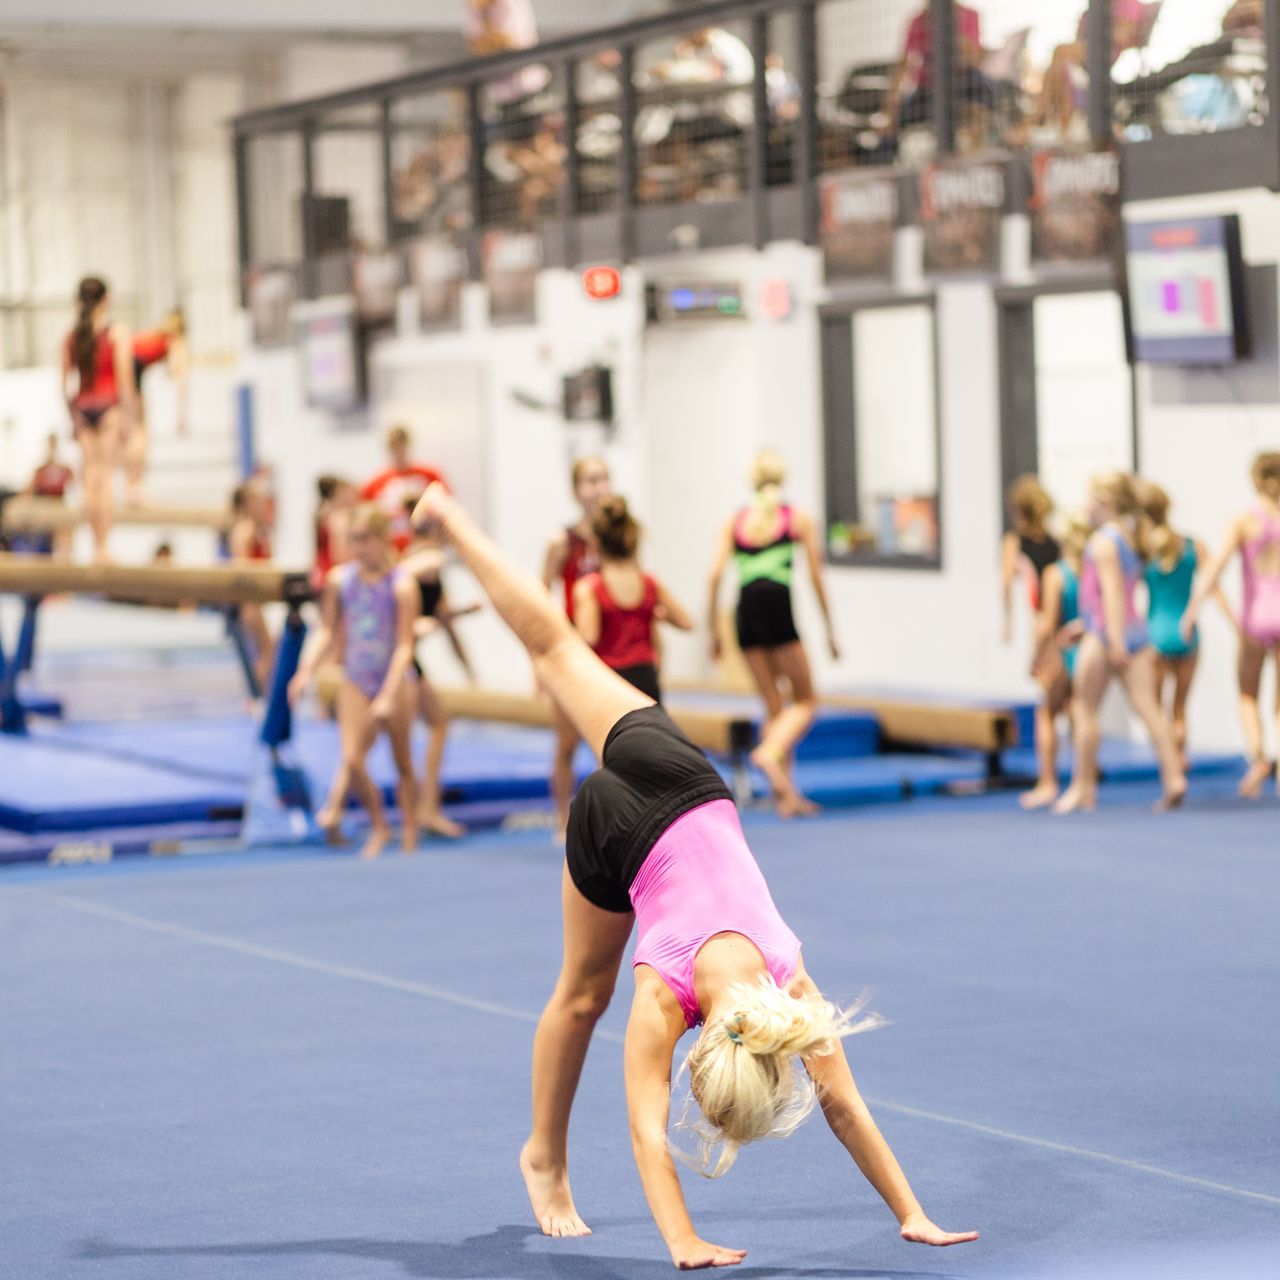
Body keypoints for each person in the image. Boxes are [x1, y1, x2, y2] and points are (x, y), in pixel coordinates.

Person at [409, 481, 978, 1265]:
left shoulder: (791, 991)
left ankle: (450, 514)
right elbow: (652, 1124)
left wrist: (914, 1212)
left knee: (557, 650)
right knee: (582, 996)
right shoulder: (670, 998)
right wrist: (682, 1242)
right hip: (622, 818)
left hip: (683, 780)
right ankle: (541, 1156)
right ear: (701, 1052)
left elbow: (841, 1106)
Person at [708, 450, 839, 817]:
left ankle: (786, 794)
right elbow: (816, 577)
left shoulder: (736, 521)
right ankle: (768, 753)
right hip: (776, 607)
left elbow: (715, 575)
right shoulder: (794, 519)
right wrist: (830, 630)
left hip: (745, 611)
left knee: (775, 707)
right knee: (807, 701)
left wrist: (711, 633)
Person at [289, 504, 421, 858]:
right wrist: (304, 672)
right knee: (353, 758)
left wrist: (390, 694)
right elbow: (328, 631)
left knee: (403, 761)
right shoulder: (340, 581)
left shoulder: (402, 585)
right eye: (353, 540)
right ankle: (380, 824)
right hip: (357, 676)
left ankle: (410, 829)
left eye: (365, 540)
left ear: (383, 540)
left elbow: (406, 644)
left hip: (394, 679)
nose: (359, 548)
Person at [1053, 472, 1186, 815]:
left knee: (1084, 710)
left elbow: (1111, 592)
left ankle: (1082, 786)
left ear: (1106, 503)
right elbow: (1117, 593)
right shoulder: (1130, 537)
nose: (1086, 507)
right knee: (1149, 709)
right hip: (1132, 629)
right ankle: (1173, 777)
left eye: (1090, 500)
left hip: (1108, 634)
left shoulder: (1103, 541)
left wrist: (1111, 640)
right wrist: (1085, 624)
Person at [1182, 452, 1280, 799]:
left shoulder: (1244, 522)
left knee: (1247, 694)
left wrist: (1192, 608)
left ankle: (1258, 756)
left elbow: (1215, 568)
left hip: (1256, 617)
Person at [542, 455, 612, 837]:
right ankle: (563, 821)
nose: (598, 488)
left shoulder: (618, 538)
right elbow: (540, 595)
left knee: (611, 747)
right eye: (590, 481)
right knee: (567, 741)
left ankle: (608, 825)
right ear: (575, 491)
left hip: (611, 652)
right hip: (572, 654)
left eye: (603, 479)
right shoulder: (562, 542)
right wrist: (540, 658)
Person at [399, 524, 482, 839]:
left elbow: (445, 625)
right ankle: (421, 811)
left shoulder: (435, 580)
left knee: (438, 722)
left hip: (407, 661)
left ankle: (426, 809)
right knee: (379, 739)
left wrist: (469, 672)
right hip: (389, 660)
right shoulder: (410, 569)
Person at [572, 496, 693, 705]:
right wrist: (658, 615)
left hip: (610, 680)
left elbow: (589, 637)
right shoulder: (649, 583)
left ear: (596, 543)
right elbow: (687, 623)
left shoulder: (589, 587)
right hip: (646, 678)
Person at [1139, 482, 1224, 767]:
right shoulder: (1192, 546)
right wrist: (1236, 624)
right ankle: (1180, 757)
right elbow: (1215, 587)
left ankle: (1170, 764)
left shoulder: (1144, 551)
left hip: (1156, 633)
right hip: (1186, 634)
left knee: (1156, 708)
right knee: (1179, 706)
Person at [60, 276, 136, 563]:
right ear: (106, 300)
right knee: (103, 477)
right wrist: (128, 418)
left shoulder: (71, 337)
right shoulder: (115, 333)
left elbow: (65, 385)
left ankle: (94, 545)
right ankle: (102, 548)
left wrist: (73, 417)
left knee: (90, 478)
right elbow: (125, 379)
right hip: (108, 405)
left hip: (83, 405)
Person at [1020, 512, 1089, 811]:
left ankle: (1048, 782)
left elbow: (1048, 622)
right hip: (1086, 650)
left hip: (1063, 649)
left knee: (1046, 713)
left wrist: (1036, 656)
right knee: (1080, 713)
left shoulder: (1056, 574)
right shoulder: (1091, 570)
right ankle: (1085, 783)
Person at [127, 309, 188, 502]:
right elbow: (181, 380)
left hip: (123, 368)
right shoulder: (174, 341)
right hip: (130, 371)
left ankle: (132, 485)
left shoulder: (152, 335)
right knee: (141, 433)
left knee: (134, 433)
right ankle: (134, 487)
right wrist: (182, 415)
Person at [362, 426, 449, 552]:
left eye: (401, 446)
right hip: (392, 549)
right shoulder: (374, 484)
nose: (398, 451)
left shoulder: (429, 475)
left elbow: (446, 507)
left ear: (407, 445)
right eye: (394, 447)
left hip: (426, 545)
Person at [227, 480, 277, 694]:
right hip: (250, 604)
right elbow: (240, 566)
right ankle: (260, 696)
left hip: (259, 602)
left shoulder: (260, 530)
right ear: (247, 503)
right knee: (266, 652)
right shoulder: (243, 531)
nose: (262, 504)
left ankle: (261, 695)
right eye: (257, 500)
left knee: (267, 651)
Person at [1001, 475, 1061, 647]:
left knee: (1039, 666)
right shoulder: (1054, 541)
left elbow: (1006, 583)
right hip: (1054, 612)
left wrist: (1008, 621)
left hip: (1036, 613)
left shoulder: (1014, 542)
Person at [26, 433, 75, 559]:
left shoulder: (65, 468)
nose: (52, 449)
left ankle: (65, 556)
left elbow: (75, 486)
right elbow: (29, 490)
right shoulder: (41, 469)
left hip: (59, 503)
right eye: (49, 445)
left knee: (65, 524)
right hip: (44, 505)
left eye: (54, 446)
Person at [313, 474, 358, 590]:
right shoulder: (340, 518)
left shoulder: (323, 513)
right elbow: (339, 554)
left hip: (322, 571)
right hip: (334, 573)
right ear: (340, 495)